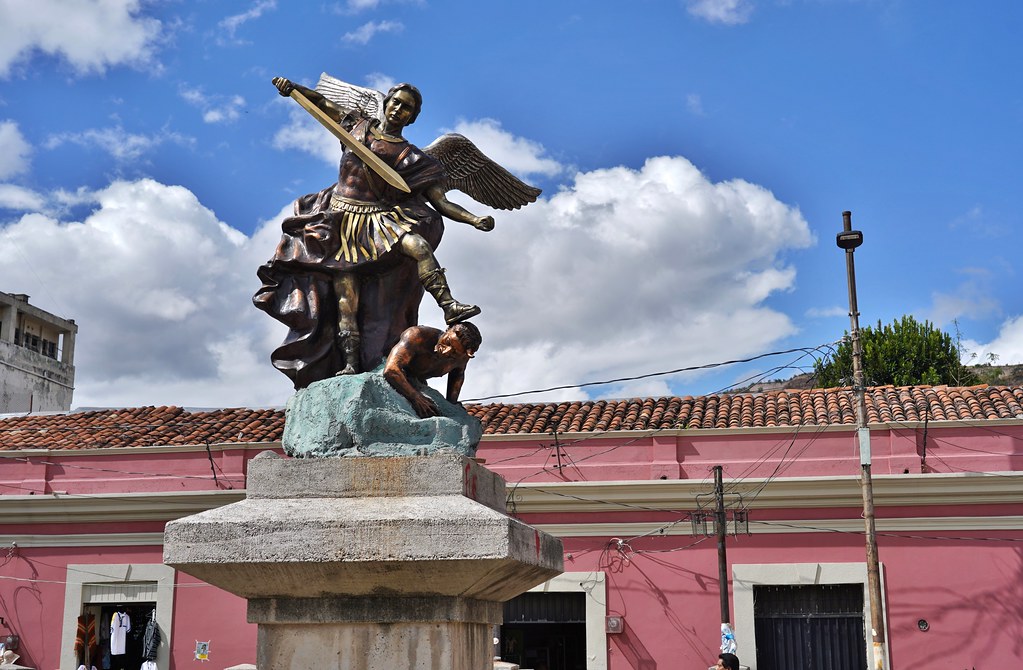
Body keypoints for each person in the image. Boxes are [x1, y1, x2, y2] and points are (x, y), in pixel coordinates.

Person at [257, 77, 493, 380]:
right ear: (386, 104)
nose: (398, 110)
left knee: (418, 246)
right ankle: (351, 364)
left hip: (376, 220)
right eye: (395, 102)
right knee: (346, 298)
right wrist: (293, 90)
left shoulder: (413, 158)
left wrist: (474, 219)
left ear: (413, 117)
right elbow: (321, 105)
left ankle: (449, 305)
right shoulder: (356, 128)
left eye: (406, 108)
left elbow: (441, 202)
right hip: (337, 220)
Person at [382, 322, 481, 418]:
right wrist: (415, 397)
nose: (446, 352)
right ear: (448, 330)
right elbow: (391, 370)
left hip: (418, 383)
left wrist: (451, 404)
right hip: (390, 376)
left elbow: (458, 375)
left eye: (454, 353)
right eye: (448, 342)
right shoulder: (417, 335)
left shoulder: (462, 357)